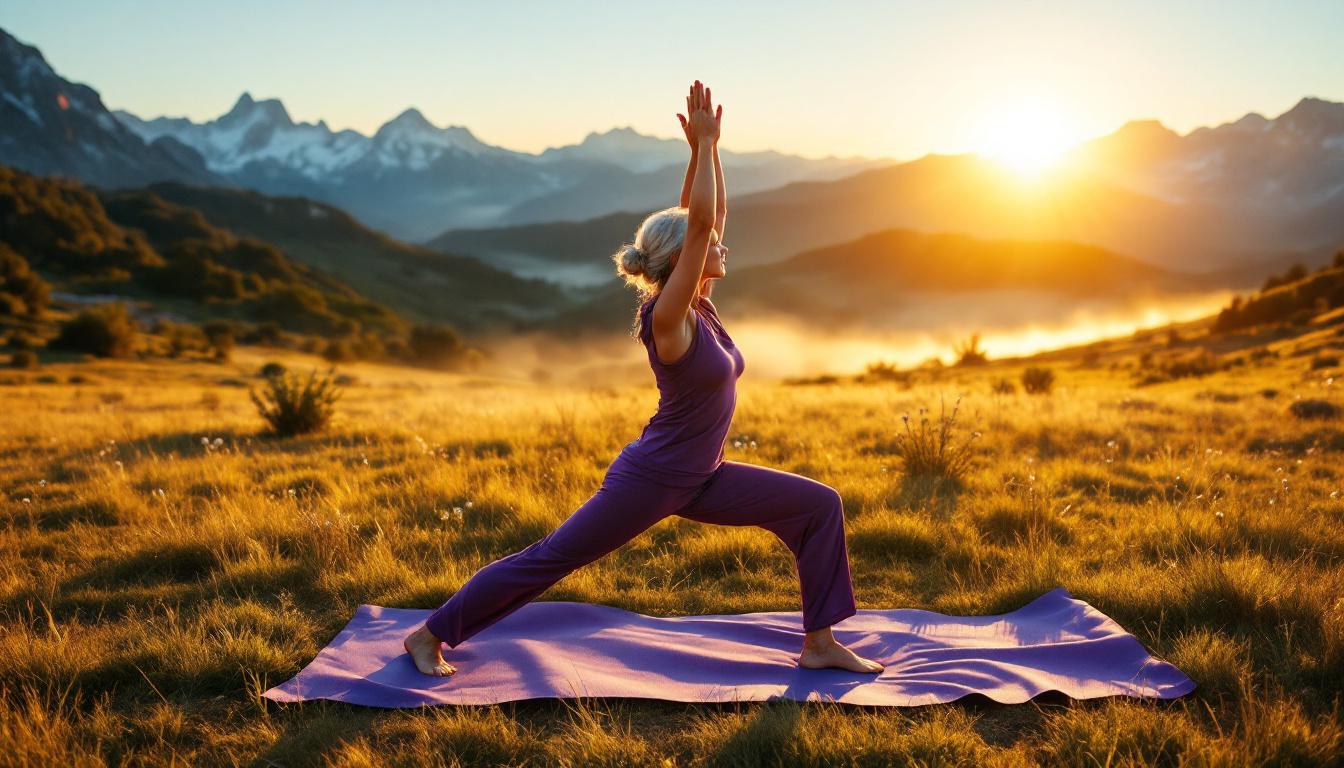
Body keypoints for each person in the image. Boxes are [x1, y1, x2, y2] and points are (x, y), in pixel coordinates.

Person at [403, 80, 883, 677]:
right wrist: (706, 148)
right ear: (683, 260)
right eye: (708, 245)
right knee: (550, 559)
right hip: (653, 478)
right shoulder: (669, 318)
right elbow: (702, 224)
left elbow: (707, 218)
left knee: (818, 506)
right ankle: (430, 635)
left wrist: (702, 153)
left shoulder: (699, 300)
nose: (722, 244)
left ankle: (819, 642)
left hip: (703, 476)